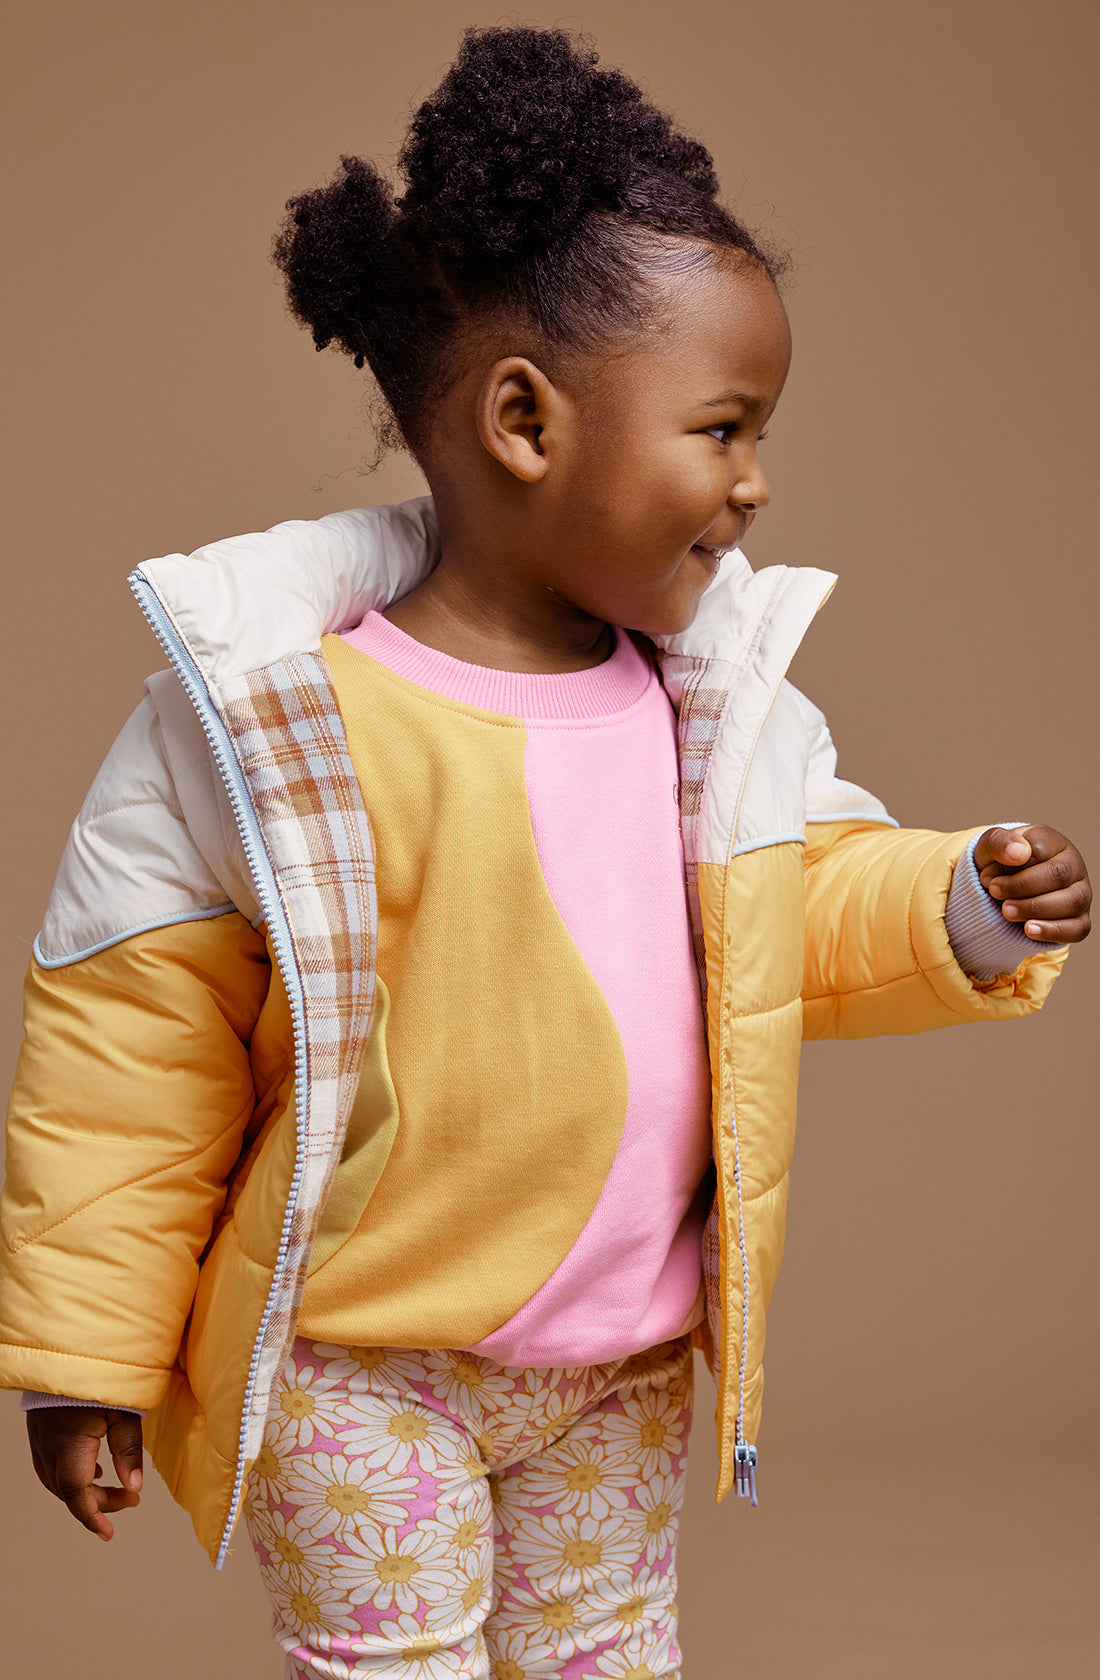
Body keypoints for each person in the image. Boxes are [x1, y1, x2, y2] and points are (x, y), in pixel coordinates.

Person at [1, 23, 1090, 1680]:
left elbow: (794, 909)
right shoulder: (278, 728)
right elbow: (129, 1059)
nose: (757, 483)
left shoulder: (707, 712)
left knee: (607, 1661)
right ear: (526, 419)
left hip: (626, 1369)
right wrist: (82, 1355)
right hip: (361, 1368)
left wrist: (965, 900)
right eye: (723, 428)